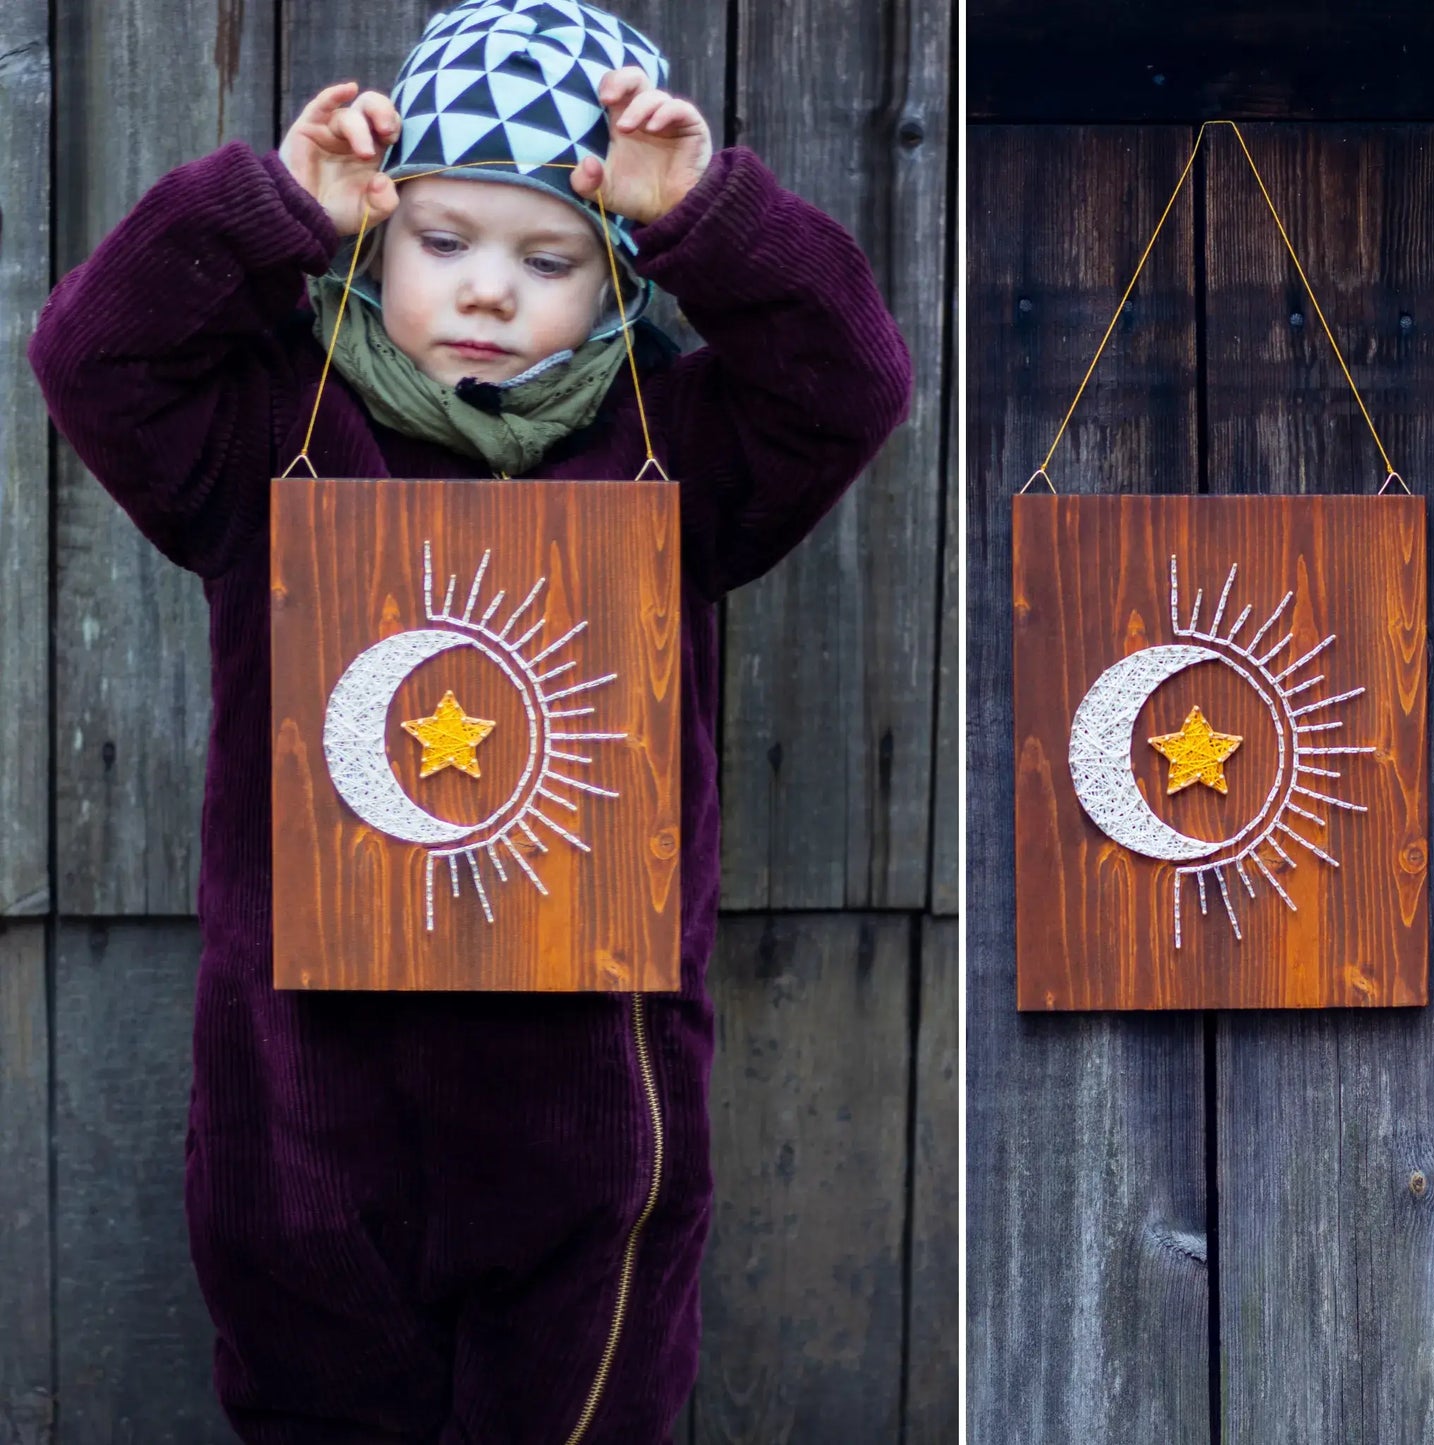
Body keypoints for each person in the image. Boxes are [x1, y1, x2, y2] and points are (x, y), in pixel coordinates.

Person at [29, 1, 911, 1440]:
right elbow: (90, 358)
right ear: (378, 238)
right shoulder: (274, 440)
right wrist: (264, 209)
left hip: (585, 1120)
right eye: (445, 243)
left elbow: (849, 382)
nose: (489, 292)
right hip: (303, 1115)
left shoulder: (671, 454)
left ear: (616, 273)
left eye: (546, 257)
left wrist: (704, 214)